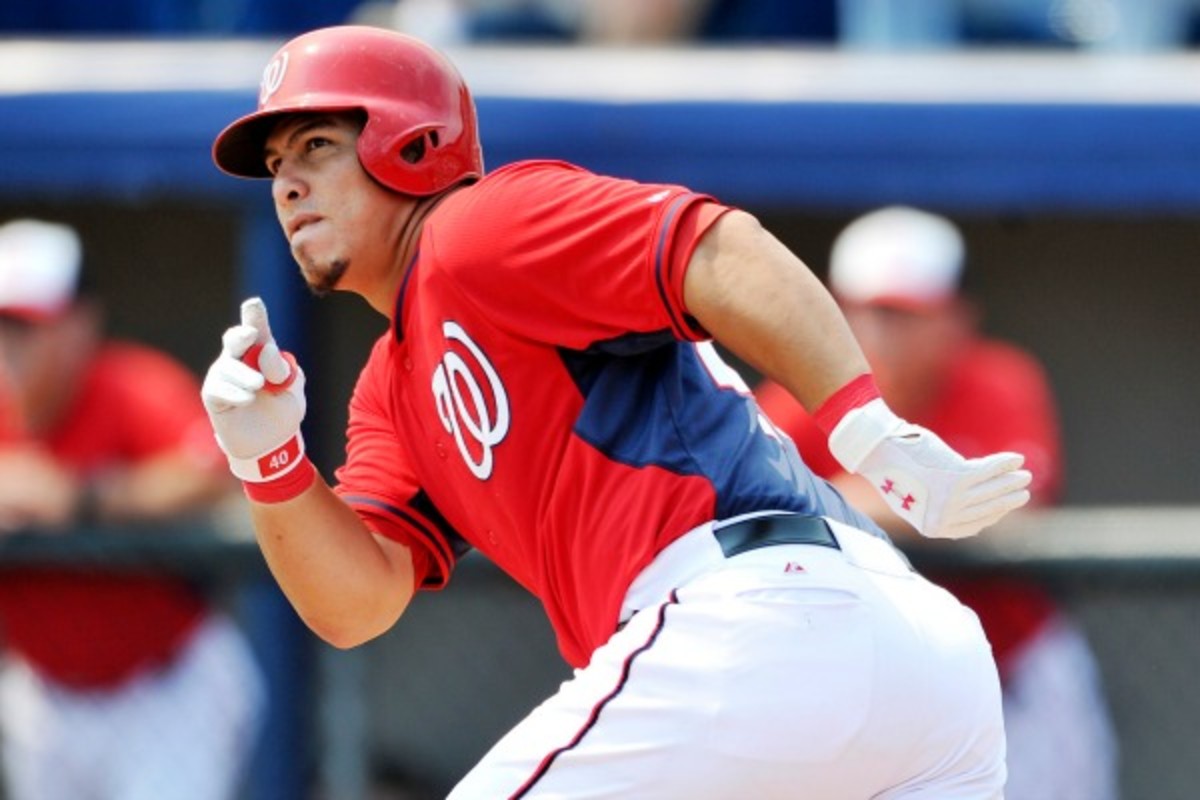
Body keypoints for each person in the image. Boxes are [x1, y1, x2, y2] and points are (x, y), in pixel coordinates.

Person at [201, 25, 1032, 799]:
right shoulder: (391, 384)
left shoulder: (477, 230)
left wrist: (863, 424)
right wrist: (269, 461)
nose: (289, 183)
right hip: (915, 659)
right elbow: (357, 604)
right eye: (276, 163)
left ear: (413, 146)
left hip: (757, 615)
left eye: (316, 146)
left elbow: (715, 247)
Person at [755, 206, 1119, 800]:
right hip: (870, 689)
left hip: (1014, 674)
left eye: (906, 314)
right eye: (869, 311)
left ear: (957, 316)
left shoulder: (1000, 382)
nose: (882, 331)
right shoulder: (799, 402)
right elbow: (752, 506)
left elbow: (1012, 510)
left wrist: (842, 502)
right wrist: (929, 498)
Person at [0, 219, 265, 800]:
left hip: (165, 693)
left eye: (25, 328)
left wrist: (80, 497)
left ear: (79, 326)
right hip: (44, 700)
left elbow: (214, 470)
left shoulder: (129, 385)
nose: (9, 348)